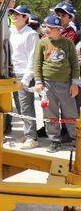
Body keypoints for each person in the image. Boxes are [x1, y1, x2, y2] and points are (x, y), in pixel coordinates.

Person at [33, 15, 80, 153]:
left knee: (70, 112)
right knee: (50, 113)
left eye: (51, 28)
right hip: (47, 84)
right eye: (46, 26)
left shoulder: (68, 43)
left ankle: (75, 138)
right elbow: (37, 63)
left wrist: (74, 84)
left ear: (59, 29)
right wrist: (39, 81)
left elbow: (74, 64)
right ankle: (54, 140)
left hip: (65, 83)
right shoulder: (42, 43)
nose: (47, 29)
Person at [9, 5, 40, 149]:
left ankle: (31, 138)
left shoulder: (31, 34)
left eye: (18, 14)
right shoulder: (11, 32)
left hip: (23, 74)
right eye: (13, 13)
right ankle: (29, 133)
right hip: (12, 74)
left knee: (26, 106)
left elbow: (33, 58)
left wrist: (26, 79)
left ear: (26, 17)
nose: (14, 16)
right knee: (19, 107)